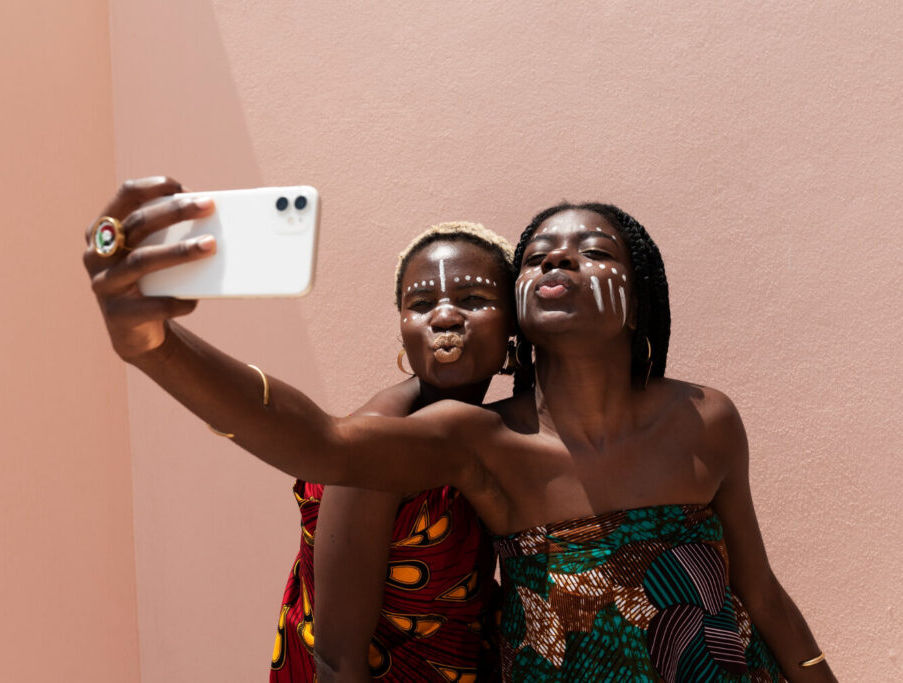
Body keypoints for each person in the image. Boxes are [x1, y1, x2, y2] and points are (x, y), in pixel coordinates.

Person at [85, 179, 836, 682]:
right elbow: (321, 442)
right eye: (538, 254)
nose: (560, 259)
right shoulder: (481, 441)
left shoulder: (707, 418)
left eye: (595, 251)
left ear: (641, 300)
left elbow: (762, 593)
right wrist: (154, 347)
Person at [272, 221, 515, 682]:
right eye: (421, 304)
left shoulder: (493, 430)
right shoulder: (380, 442)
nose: (444, 318)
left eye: (472, 300)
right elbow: (337, 658)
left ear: (513, 326)